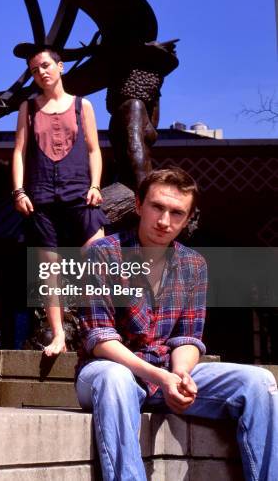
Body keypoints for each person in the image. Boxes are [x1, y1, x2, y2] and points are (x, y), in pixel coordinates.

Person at [76, 168, 278, 481]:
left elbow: (187, 337)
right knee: (114, 378)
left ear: (187, 219)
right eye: (157, 207)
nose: (164, 221)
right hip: (107, 371)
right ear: (139, 205)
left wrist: (181, 375)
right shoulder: (102, 255)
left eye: (176, 213)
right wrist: (161, 376)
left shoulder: (193, 264)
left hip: (166, 370)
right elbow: (101, 340)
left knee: (258, 382)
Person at [12, 46, 108, 356]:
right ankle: (57, 336)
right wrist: (19, 191)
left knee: (97, 257)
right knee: (48, 270)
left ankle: (99, 328)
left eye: (45, 65)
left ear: (60, 66)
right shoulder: (28, 108)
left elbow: (94, 149)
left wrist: (95, 185)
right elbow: (19, 152)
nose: (41, 72)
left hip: (80, 189)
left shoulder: (83, 106)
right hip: (41, 193)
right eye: (35, 69)